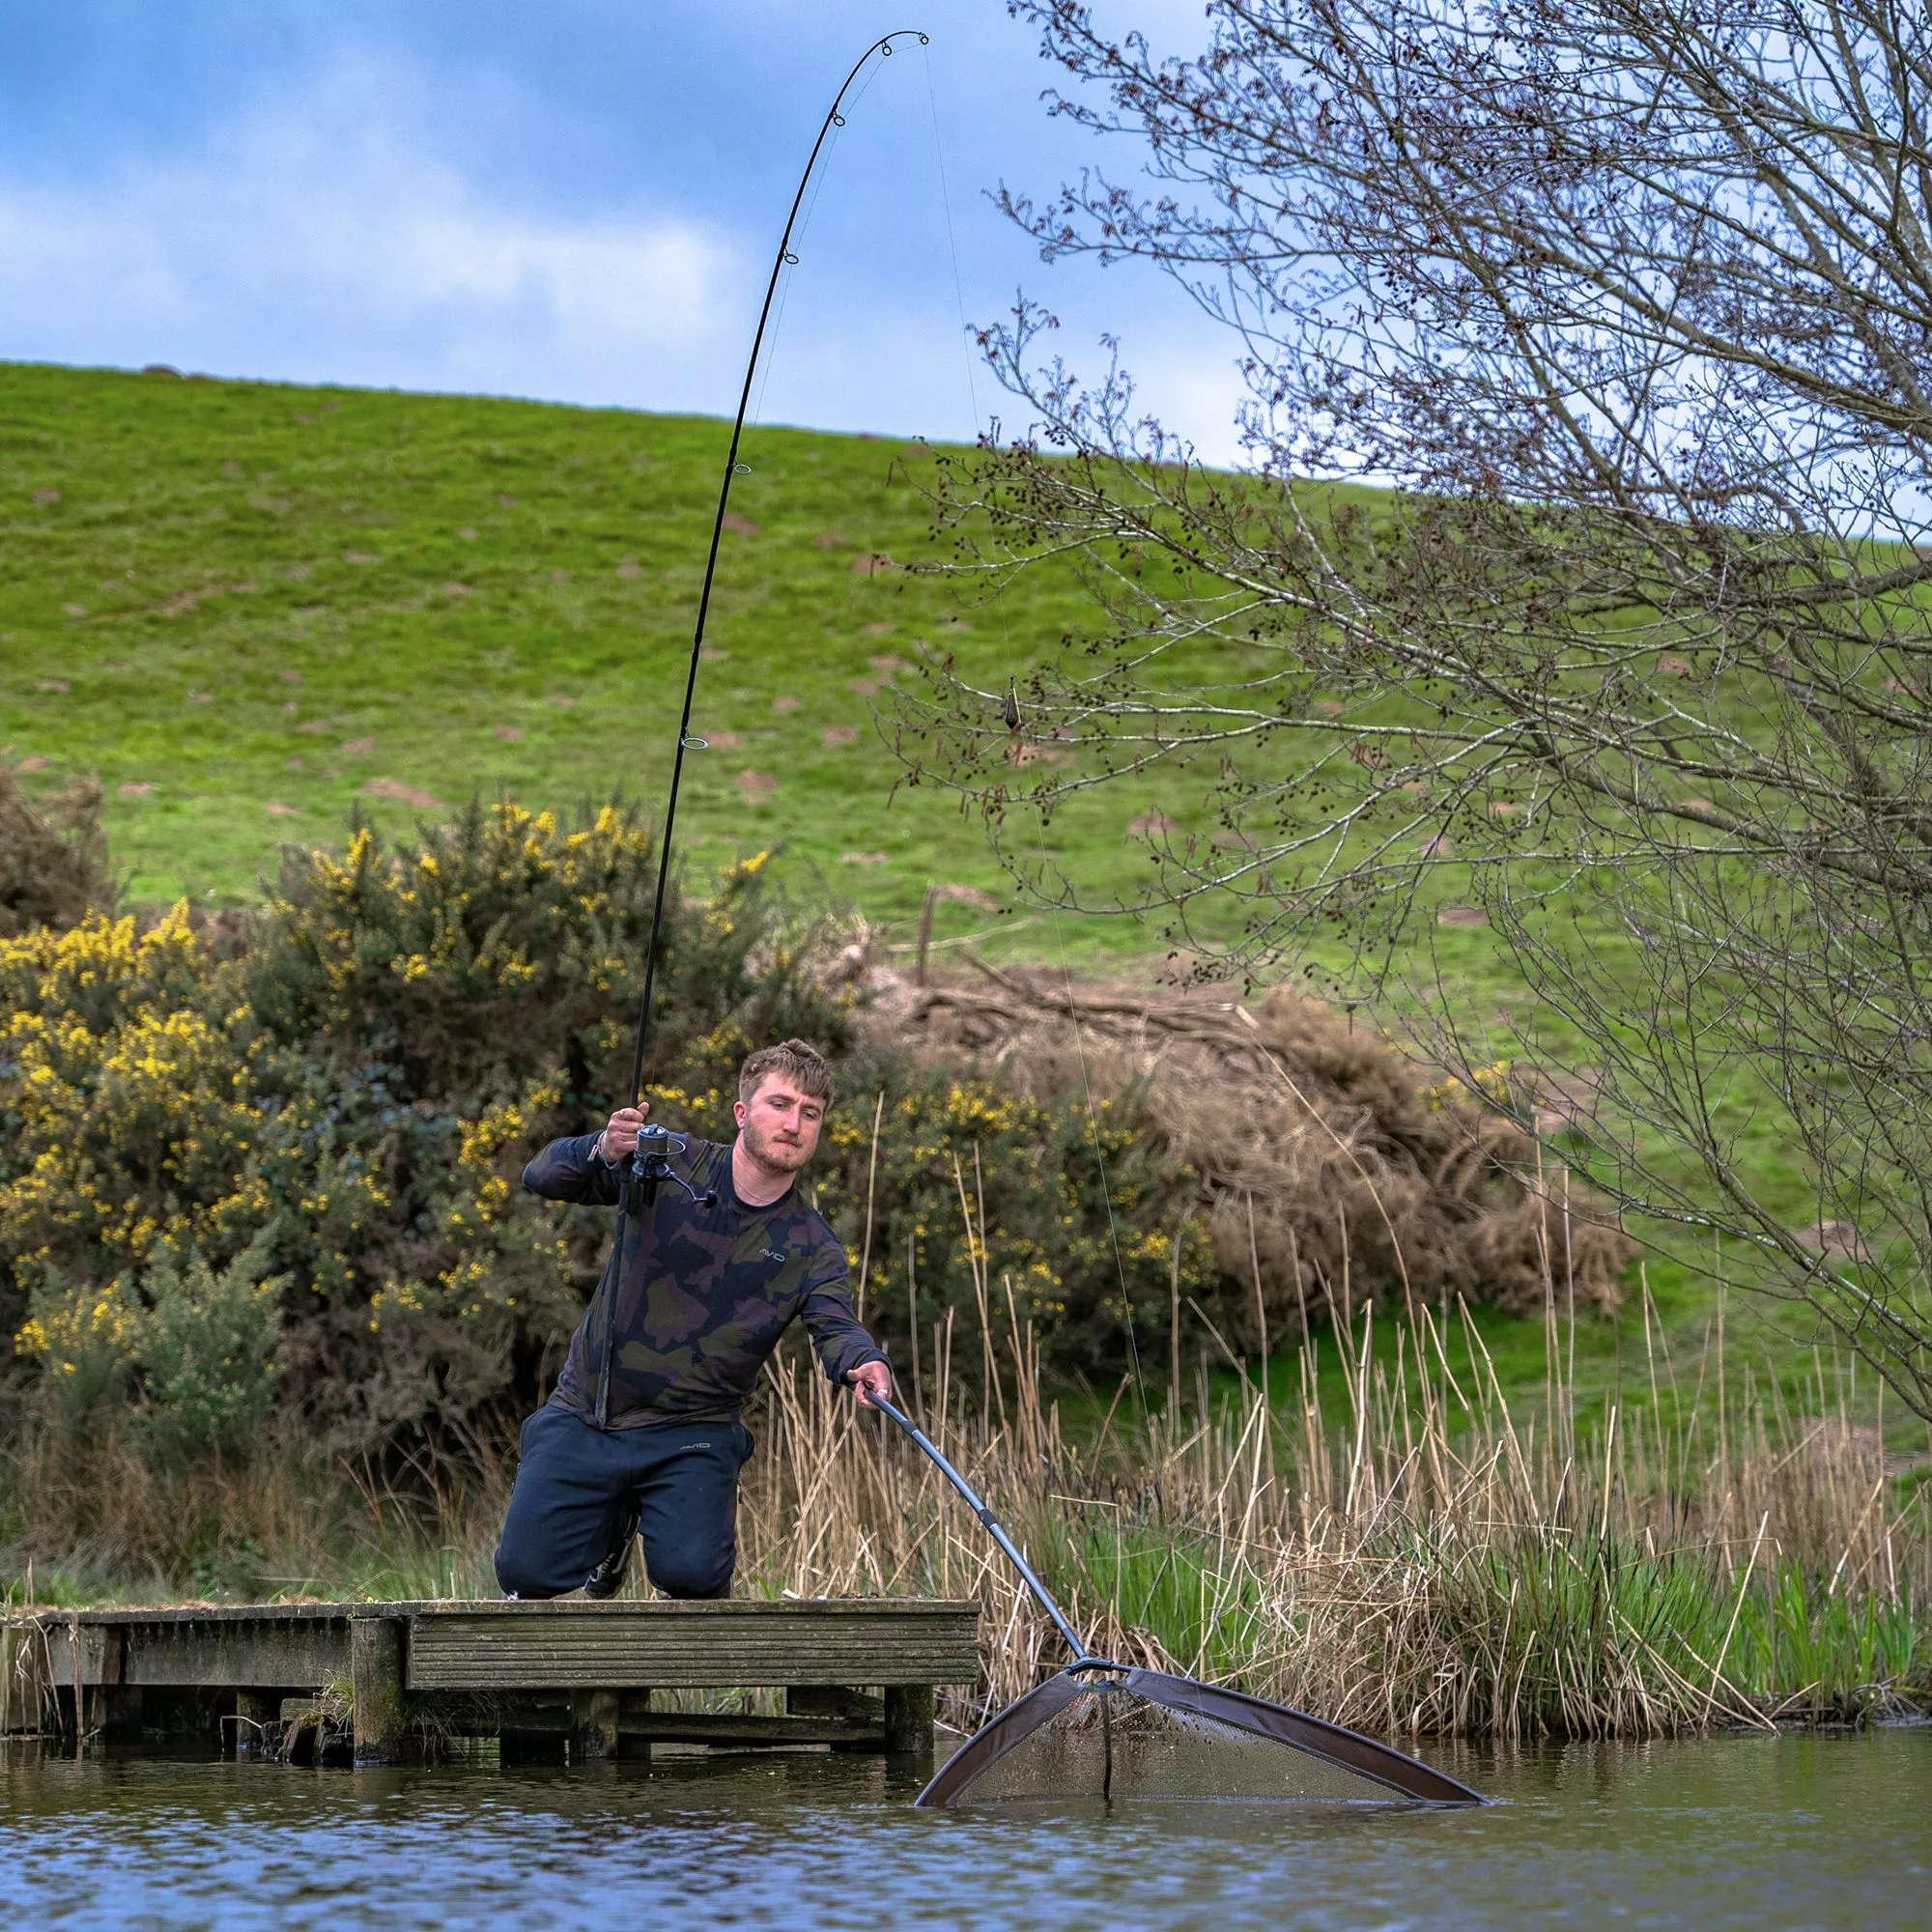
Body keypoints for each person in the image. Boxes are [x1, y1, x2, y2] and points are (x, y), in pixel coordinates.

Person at [494, 1037, 891, 1600]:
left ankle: (653, 1518)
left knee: (695, 1579)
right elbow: (542, 1175)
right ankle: (610, 1529)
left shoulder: (812, 1245)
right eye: (780, 1104)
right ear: (742, 1112)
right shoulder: (667, 1162)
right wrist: (602, 1148)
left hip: (694, 1431)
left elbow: (836, 1325)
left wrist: (864, 1360)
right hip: (590, 1411)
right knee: (523, 1575)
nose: (793, 1124)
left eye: (810, 1113)